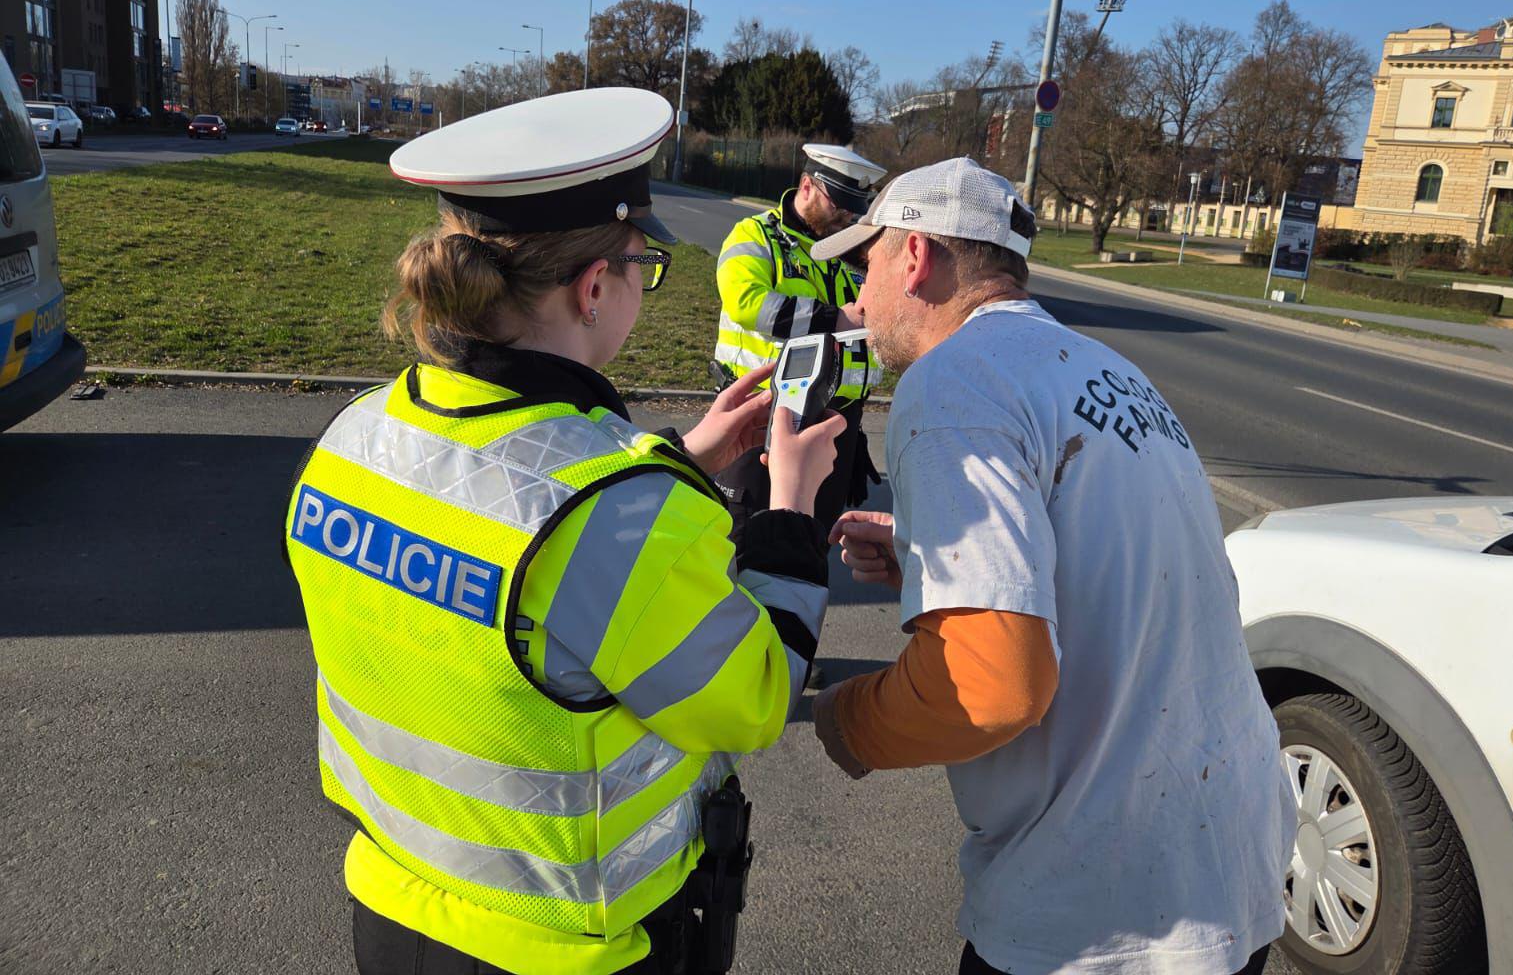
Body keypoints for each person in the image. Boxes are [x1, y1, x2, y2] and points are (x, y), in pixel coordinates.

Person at [283, 87, 846, 975]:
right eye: (641, 266)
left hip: (392, 907)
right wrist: (788, 507)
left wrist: (678, 462)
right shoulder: (619, 516)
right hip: (570, 949)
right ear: (594, 287)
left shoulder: (353, 438)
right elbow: (757, 697)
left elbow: (505, 503)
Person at [806, 158, 1295, 975]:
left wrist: (848, 718)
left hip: (1099, 915)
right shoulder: (1107, 369)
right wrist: (934, 566)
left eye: (868, 262)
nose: (860, 296)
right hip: (1229, 865)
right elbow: (1126, 565)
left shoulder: (951, 382)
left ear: (917, 257)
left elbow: (988, 687)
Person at [712, 142, 888, 552]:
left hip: (837, 425)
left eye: (854, 206)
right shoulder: (755, 235)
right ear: (807, 186)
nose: (848, 215)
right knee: (741, 542)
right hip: (763, 419)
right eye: (839, 203)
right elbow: (747, 303)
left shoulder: (847, 248)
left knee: (809, 546)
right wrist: (833, 319)